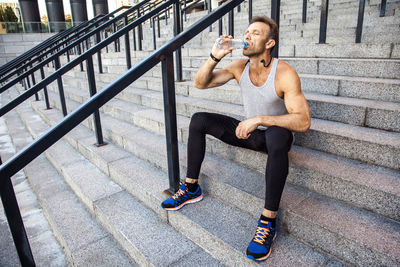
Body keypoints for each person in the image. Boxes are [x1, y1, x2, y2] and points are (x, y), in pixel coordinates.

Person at [161, 16, 311, 261]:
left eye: (256, 33)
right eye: (247, 32)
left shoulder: (284, 72)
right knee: (199, 119)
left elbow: (303, 121)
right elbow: (200, 83)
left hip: (273, 136)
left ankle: (268, 220)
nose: (248, 36)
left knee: (277, 137)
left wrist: (261, 119)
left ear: (270, 43)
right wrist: (215, 55)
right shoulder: (239, 66)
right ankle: (190, 187)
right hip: (248, 133)